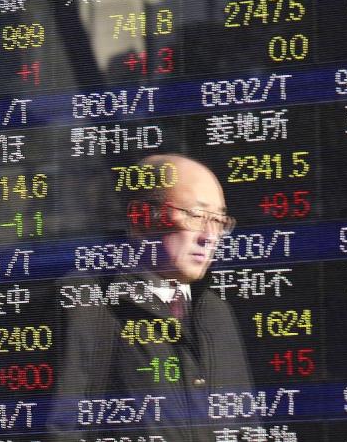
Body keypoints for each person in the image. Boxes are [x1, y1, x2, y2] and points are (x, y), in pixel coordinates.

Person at [49, 154, 254, 441]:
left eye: (219, 220)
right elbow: (60, 428)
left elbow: (245, 428)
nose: (210, 236)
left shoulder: (215, 313)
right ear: (142, 218)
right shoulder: (86, 301)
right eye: (196, 215)